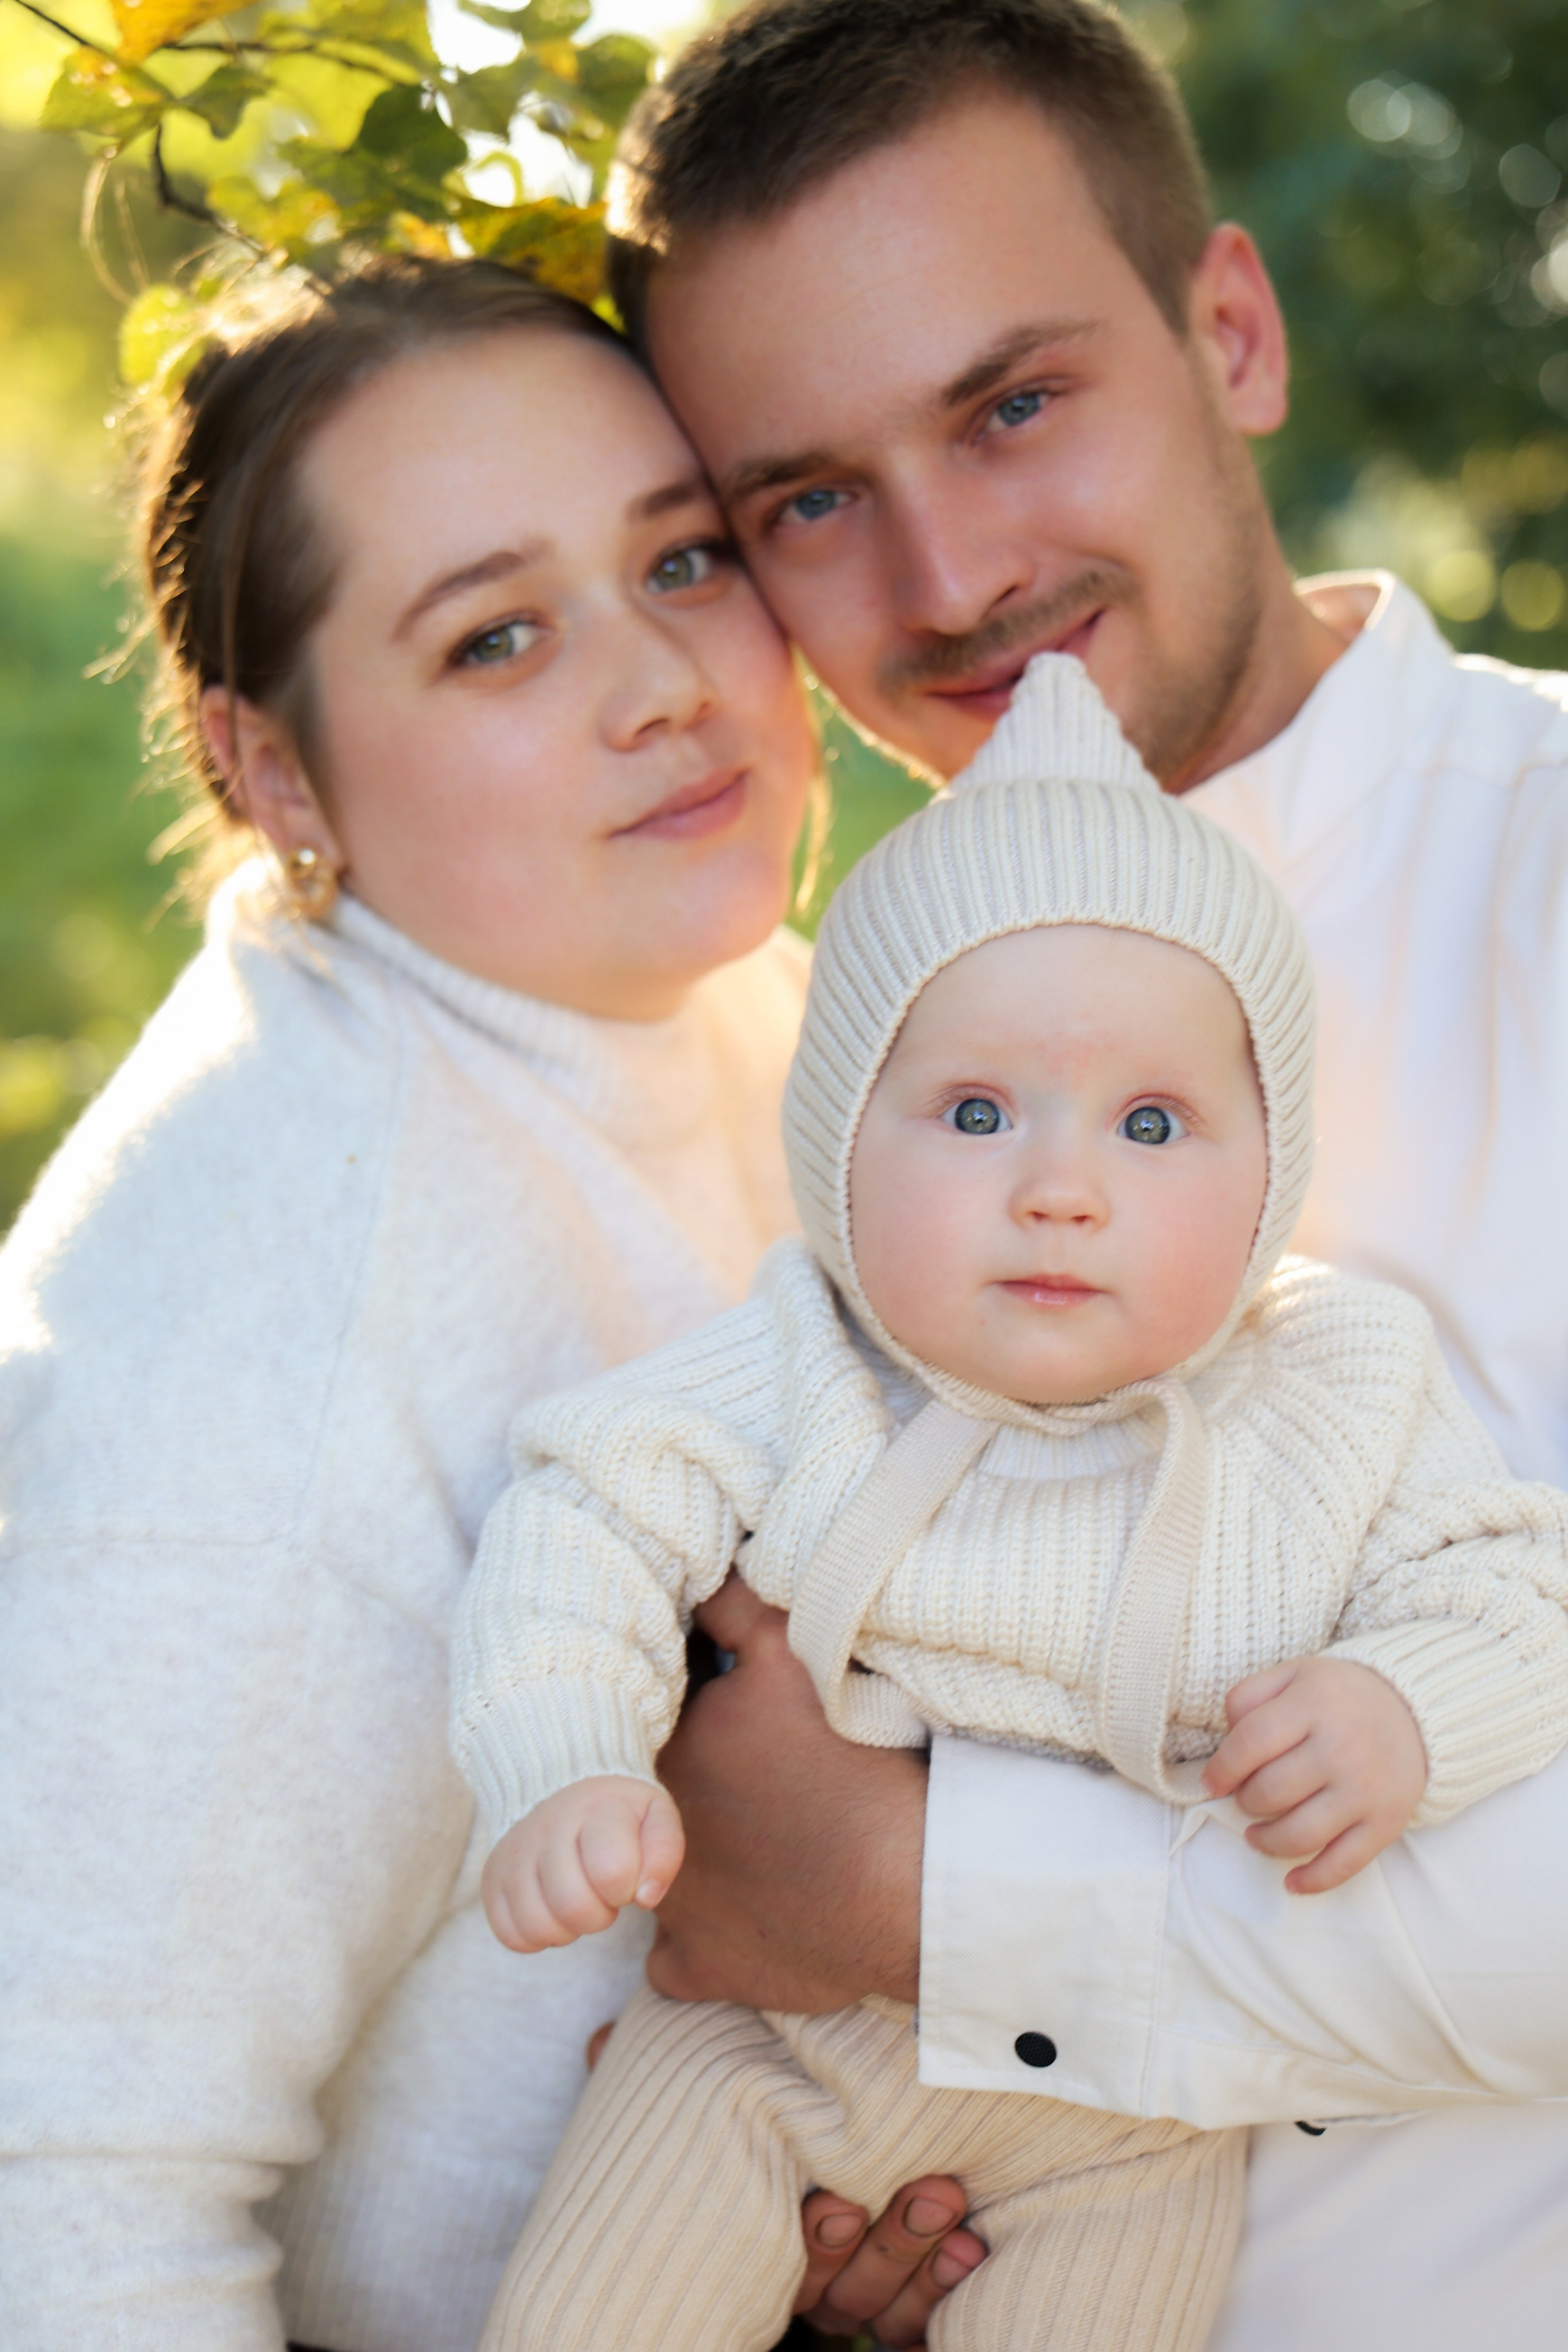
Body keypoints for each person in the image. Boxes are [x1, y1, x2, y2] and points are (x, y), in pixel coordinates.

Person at [594, 2, 1568, 2343]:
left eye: (1014, 403)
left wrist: (919, 1901)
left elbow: (819, 1867)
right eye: (807, 497)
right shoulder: (792, 1074)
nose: (949, 576)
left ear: (1230, 330)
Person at [0, 252, 941, 2352]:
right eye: (494, 636)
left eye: (681, 560)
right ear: (279, 777)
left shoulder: (729, 1014)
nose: (661, 685)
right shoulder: (261, 1345)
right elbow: (59, 2205)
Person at [453, 652, 1568, 2352]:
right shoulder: (799, 1361)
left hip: (1142, 2137)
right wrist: (566, 1758)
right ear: (839, 1145)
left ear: (1270, 1167)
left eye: (1151, 1123)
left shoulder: (1337, 1382)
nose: (1060, 1190)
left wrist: (1403, 1704)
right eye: (975, 1112)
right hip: (760, 2046)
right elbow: (581, 1522)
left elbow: (1512, 1591)